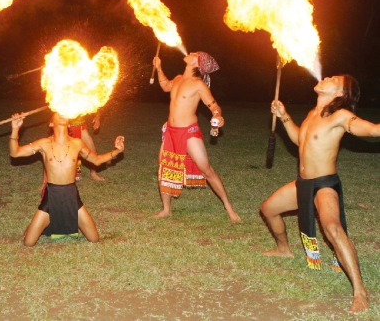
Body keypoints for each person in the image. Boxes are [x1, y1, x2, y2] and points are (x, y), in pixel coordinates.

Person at [260, 75, 378, 313]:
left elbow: (371, 129)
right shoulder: (313, 114)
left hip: (324, 185)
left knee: (333, 228)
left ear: (340, 94)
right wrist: (284, 117)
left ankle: (360, 292)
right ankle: (284, 249)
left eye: (334, 79)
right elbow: (299, 141)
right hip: (303, 183)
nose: (327, 77)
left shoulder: (340, 116)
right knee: (268, 209)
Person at [9, 112, 125, 246]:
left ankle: (56, 223)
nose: (62, 114)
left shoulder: (77, 143)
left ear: (69, 124)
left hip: (71, 194)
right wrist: (15, 129)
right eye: (57, 113)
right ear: (51, 124)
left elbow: (97, 160)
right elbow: (15, 152)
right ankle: (45, 223)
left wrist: (117, 151)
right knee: (28, 242)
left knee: (94, 238)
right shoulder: (44, 143)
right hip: (52, 195)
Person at [152, 52, 240, 222]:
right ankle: (166, 209)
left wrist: (217, 116)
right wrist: (159, 68)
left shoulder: (198, 84)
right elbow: (165, 86)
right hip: (171, 130)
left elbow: (214, 106)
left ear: (197, 64)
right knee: (164, 167)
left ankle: (229, 208)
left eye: (195, 54)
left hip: (188, 131)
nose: (191, 53)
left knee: (207, 170)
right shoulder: (178, 79)